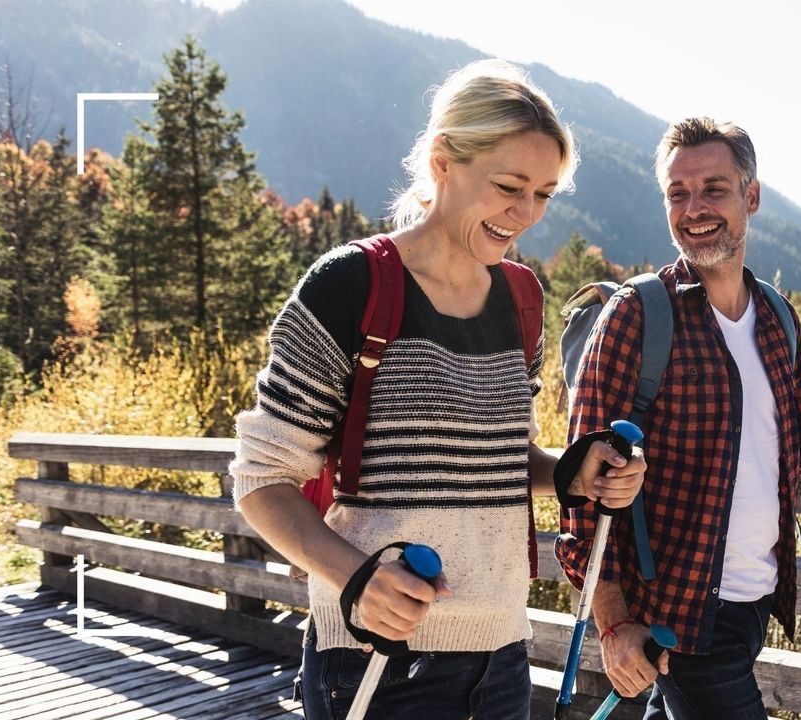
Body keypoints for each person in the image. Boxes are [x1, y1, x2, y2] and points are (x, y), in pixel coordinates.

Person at [230, 59, 645, 720]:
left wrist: (572, 472)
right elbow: (260, 479)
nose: (525, 213)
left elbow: (495, 462)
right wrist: (358, 580)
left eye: (543, 193)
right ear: (443, 161)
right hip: (376, 661)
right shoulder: (350, 286)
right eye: (509, 185)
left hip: (505, 655)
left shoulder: (522, 300)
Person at [555, 117, 801, 719]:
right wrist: (612, 621)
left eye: (714, 188)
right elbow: (580, 491)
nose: (694, 208)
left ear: (751, 196)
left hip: (754, 603)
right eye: (677, 193)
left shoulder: (777, 320)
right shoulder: (638, 316)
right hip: (677, 617)